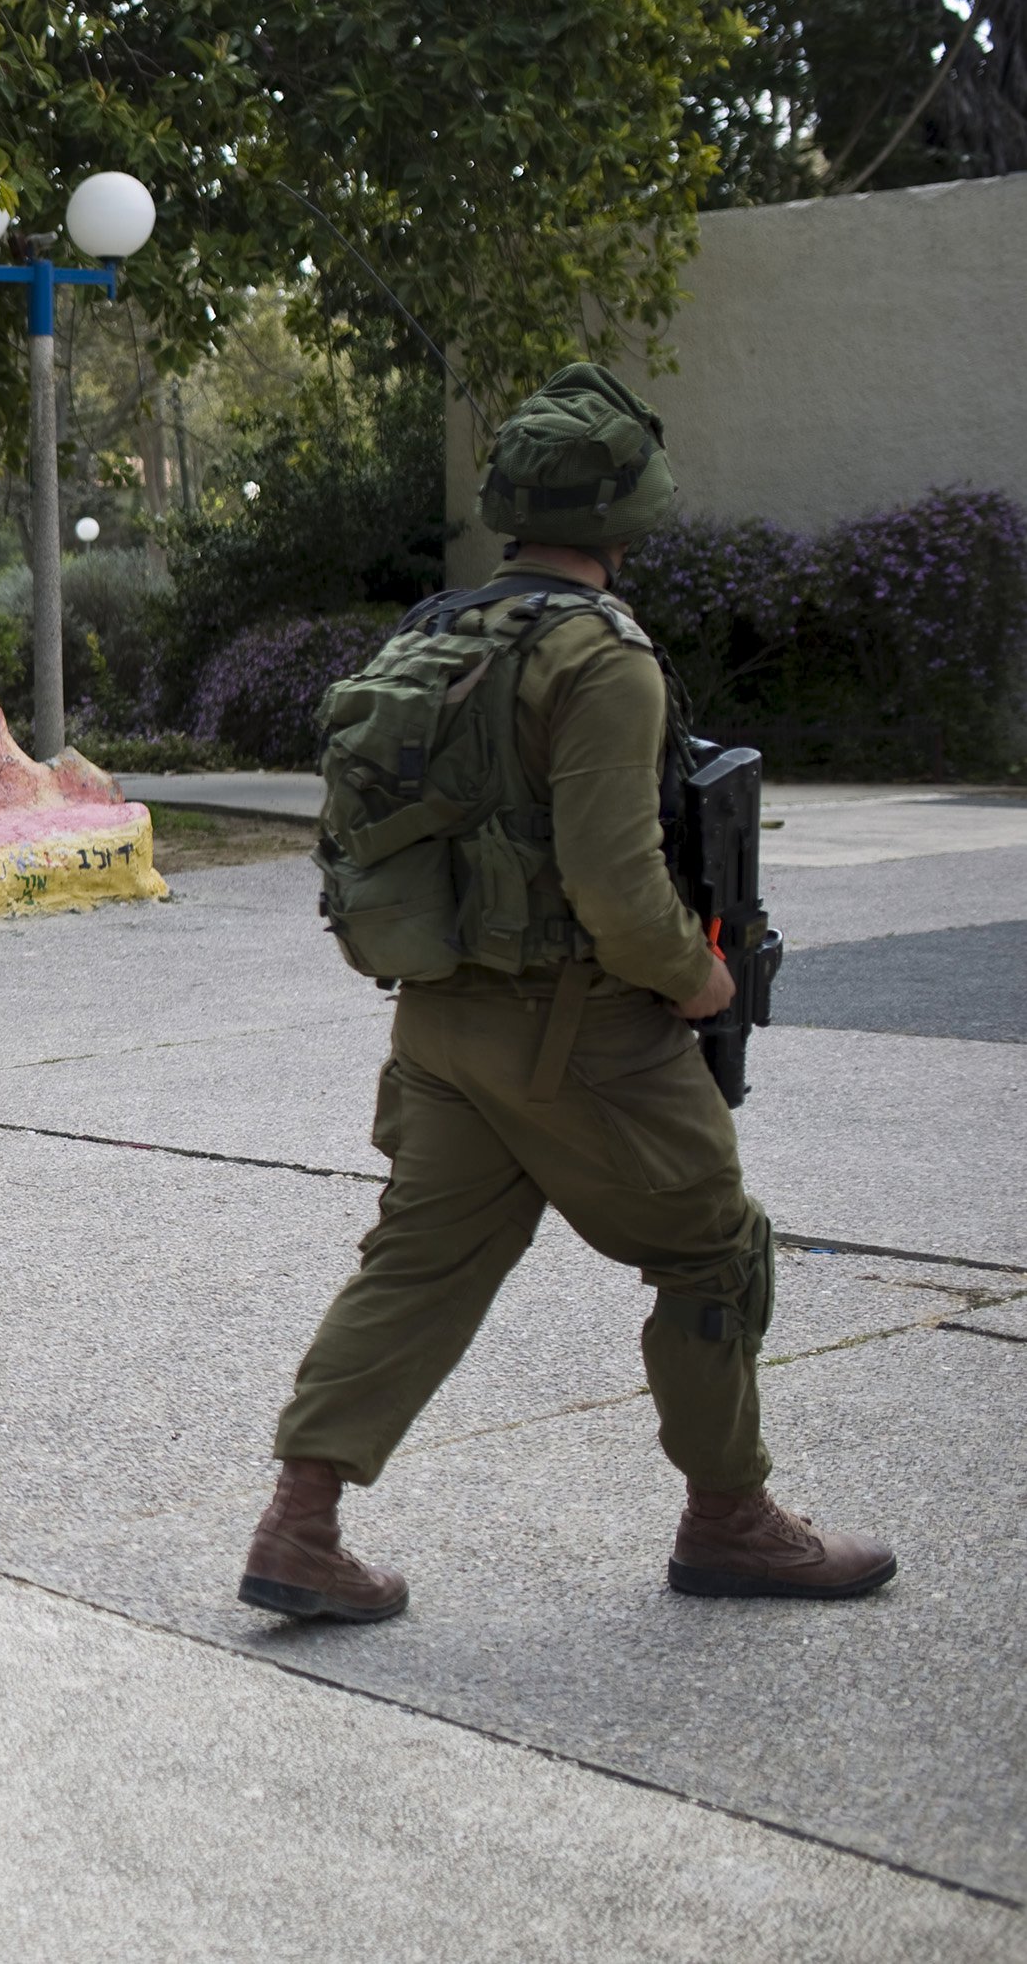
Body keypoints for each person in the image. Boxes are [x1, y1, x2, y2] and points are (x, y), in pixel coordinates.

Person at [242, 368, 894, 1622]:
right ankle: (731, 1521)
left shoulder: (433, 629)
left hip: (436, 1022)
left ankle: (299, 1524)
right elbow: (616, 881)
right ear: (624, 509)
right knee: (713, 1247)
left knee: (417, 1264)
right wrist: (698, 980)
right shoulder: (602, 658)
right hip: (581, 1026)